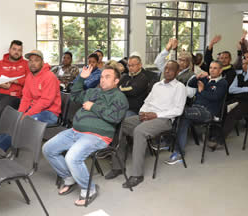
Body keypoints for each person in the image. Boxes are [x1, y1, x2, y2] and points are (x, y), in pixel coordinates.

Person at [42, 66, 128, 206]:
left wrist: (93, 107)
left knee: (72, 157)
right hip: (75, 131)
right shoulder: (93, 91)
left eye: (107, 77)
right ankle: (69, 177)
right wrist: (81, 78)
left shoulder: (119, 97)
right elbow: (75, 95)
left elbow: (116, 117)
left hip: (98, 135)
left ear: (116, 81)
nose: (103, 79)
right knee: (48, 149)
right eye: (101, 76)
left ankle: (89, 189)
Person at [106, 61, 186, 188]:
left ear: (177, 72)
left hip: (164, 119)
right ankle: (118, 166)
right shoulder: (157, 85)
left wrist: (156, 115)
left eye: (171, 70)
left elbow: (178, 110)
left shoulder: (180, 87)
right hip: (147, 115)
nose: (167, 71)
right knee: (120, 125)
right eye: (166, 69)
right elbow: (147, 101)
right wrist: (142, 112)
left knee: (139, 131)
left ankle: (137, 175)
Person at [166, 61, 228, 165]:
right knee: (183, 118)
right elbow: (191, 84)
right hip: (195, 109)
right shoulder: (206, 79)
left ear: (220, 70)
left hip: (208, 112)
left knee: (179, 112)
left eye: (215, 68)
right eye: (211, 67)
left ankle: (167, 141)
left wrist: (201, 91)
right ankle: (178, 153)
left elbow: (215, 97)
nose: (212, 70)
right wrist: (198, 76)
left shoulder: (222, 83)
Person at [208, 55, 248, 149]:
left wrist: (242, 88)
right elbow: (231, 90)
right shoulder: (239, 76)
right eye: (243, 64)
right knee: (221, 109)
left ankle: (220, 139)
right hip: (237, 100)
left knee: (233, 113)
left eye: (247, 64)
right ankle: (213, 135)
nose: (245, 66)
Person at [0, 40, 29, 136]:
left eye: (19, 50)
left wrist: (15, 81)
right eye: (14, 49)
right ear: (9, 50)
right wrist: (1, 84)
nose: (16, 52)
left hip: (13, 96)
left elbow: (30, 81)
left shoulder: (26, 65)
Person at [18, 50, 61, 125]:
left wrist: (27, 115)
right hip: (35, 109)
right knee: (14, 121)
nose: (33, 63)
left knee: (24, 123)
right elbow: (26, 98)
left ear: (42, 62)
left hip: (49, 113)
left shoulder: (49, 77)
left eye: (36, 60)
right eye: (30, 61)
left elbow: (45, 101)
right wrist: (20, 113)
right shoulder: (29, 76)